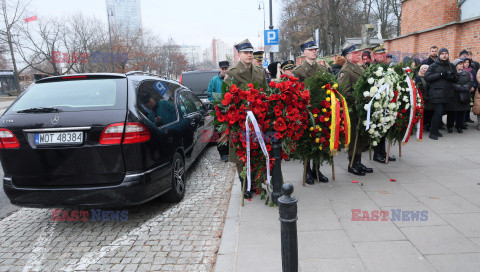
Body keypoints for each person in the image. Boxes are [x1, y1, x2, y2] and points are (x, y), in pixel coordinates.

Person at [224, 39, 267, 199]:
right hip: (240, 121)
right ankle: (244, 183)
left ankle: (256, 183)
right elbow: (226, 97)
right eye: (246, 52)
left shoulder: (259, 71)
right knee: (241, 154)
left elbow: (265, 92)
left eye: (251, 52)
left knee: (257, 151)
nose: (249, 55)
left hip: (258, 119)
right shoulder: (232, 73)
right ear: (239, 54)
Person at [292, 38, 329, 184]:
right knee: (307, 142)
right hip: (307, 111)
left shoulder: (322, 69)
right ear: (304, 52)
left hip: (321, 110)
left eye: (315, 50)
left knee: (320, 139)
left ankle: (317, 170)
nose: (314, 52)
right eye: (311, 50)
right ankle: (307, 171)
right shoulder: (298, 71)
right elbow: (295, 92)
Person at [337, 43, 373, 176]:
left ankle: (358, 162)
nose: (359, 54)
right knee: (353, 138)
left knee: (361, 138)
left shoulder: (360, 68)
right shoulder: (345, 71)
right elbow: (344, 93)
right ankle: (352, 164)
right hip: (352, 110)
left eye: (358, 52)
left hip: (361, 109)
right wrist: (361, 99)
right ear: (348, 56)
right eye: (355, 53)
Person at [424, 48, 457, 140]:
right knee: (437, 113)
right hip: (436, 93)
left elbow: (456, 79)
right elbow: (427, 77)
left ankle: (436, 130)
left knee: (441, 113)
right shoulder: (434, 65)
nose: (444, 55)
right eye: (442, 53)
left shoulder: (451, 66)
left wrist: (452, 76)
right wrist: (441, 74)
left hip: (447, 93)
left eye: (446, 53)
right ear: (439, 55)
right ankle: (432, 132)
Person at [207, 61, 230, 162]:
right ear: (220, 69)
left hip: (229, 109)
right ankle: (222, 152)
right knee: (219, 131)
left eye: (226, 69)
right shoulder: (214, 80)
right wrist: (216, 103)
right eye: (223, 69)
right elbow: (209, 93)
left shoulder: (231, 79)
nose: (224, 71)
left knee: (230, 130)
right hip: (219, 110)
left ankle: (230, 150)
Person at [446, 58, 472, 133]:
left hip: (463, 95)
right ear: (455, 65)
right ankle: (450, 126)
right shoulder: (451, 73)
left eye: (462, 64)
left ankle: (459, 126)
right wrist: (459, 87)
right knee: (451, 112)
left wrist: (465, 87)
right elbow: (450, 83)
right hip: (453, 95)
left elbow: (470, 82)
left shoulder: (466, 73)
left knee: (461, 112)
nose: (462, 65)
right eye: (459, 64)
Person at [416, 64, 433, 131]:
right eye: (423, 68)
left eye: (426, 68)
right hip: (422, 98)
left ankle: (427, 124)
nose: (424, 70)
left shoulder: (430, 78)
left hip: (429, 98)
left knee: (429, 112)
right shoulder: (418, 77)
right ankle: (422, 125)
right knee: (423, 112)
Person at [463, 58, 478, 124]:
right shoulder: (460, 70)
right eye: (465, 62)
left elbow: (475, 80)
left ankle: (467, 117)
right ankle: (462, 120)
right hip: (463, 89)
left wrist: (473, 87)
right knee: (463, 106)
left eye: (468, 62)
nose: (467, 64)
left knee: (469, 105)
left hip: (471, 90)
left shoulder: (473, 71)